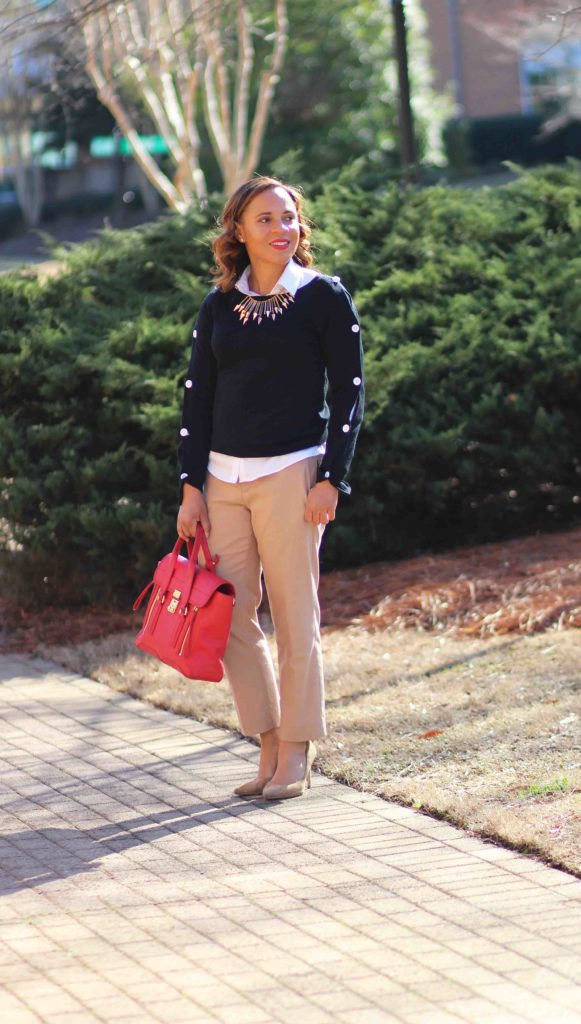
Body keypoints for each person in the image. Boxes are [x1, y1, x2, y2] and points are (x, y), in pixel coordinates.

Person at [176, 176, 364, 801]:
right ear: (238, 231)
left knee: (293, 614)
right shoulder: (217, 306)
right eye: (266, 219)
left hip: (292, 475)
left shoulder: (323, 298)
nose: (282, 228)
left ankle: (296, 751)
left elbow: (349, 396)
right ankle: (266, 739)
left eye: (289, 217)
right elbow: (197, 396)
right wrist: (190, 485)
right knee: (228, 617)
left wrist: (333, 477)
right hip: (222, 481)